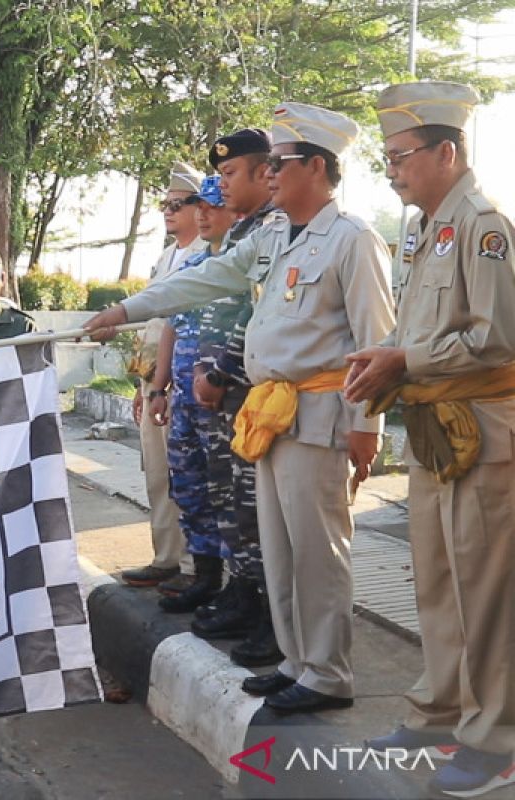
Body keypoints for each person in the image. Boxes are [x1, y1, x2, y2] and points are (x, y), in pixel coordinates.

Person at [85, 103, 396, 714]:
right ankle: (296, 660)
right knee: (279, 551)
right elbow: (204, 280)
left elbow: (376, 343)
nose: (270, 173)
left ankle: (328, 673)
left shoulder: (353, 239)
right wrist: (127, 311)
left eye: (279, 163)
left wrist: (368, 428)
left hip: (321, 417)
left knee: (317, 552)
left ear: (315, 166)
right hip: (271, 416)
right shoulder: (276, 235)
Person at [349, 82, 515, 798]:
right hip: (430, 428)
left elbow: (498, 337)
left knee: (487, 593)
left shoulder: (485, 225)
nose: (392, 170)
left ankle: (496, 738)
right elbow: (416, 327)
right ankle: (442, 708)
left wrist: (406, 360)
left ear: (447, 152)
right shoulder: (421, 227)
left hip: (483, 430)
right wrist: (386, 354)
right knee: (439, 583)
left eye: (401, 156)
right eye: (386, 158)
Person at [189, 128, 282, 666]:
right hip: (228, 395)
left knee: (256, 513)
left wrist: (219, 373)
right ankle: (244, 597)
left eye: (228, 175)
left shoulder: (270, 231)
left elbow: (253, 316)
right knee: (232, 506)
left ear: (259, 172)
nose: (222, 187)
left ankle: (271, 616)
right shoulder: (246, 231)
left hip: (250, 395)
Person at [144, 176, 239, 615]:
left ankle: (237, 587)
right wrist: (158, 387)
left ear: (233, 212)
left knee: (228, 494)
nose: (202, 214)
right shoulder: (190, 266)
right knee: (188, 486)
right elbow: (169, 325)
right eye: (197, 206)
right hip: (183, 398)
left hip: (220, 402)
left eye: (211, 206)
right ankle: (203, 577)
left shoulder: (242, 266)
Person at [119, 163, 205, 595]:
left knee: (184, 476)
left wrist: (162, 385)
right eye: (164, 205)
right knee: (157, 475)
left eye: (179, 204)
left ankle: (193, 564)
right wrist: (144, 384)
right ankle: (166, 556)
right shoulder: (167, 256)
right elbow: (153, 327)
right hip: (155, 382)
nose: (169, 212)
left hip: (179, 386)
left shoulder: (203, 255)